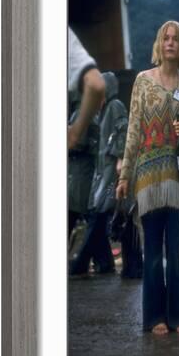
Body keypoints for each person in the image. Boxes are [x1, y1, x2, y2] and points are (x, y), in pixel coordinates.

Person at [116, 20, 179, 336]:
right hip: (148, 177)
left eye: (176, 38)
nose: (170, 42)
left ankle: (178, 316)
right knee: (152, 254)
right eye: (165, 37)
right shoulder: (142, 81)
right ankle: (154, 318)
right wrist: (125, 176)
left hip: (178, 176)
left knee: (175, 253)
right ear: (158, 44)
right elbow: (134, 130)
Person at [69, 72, 141, 276]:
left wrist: (120, 159)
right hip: (106, 172)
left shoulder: (114, 106)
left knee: (101, 217)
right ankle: (132, 267)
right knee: (119, 219)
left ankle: (81, 264)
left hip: (113, 172)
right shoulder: (104, 110)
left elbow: (122, 131)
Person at [68, 28, 105, 238]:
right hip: (81, 173)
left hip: (84, 172)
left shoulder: (94, 115)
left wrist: (73, 135)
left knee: (87, 214)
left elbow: (82, 141)